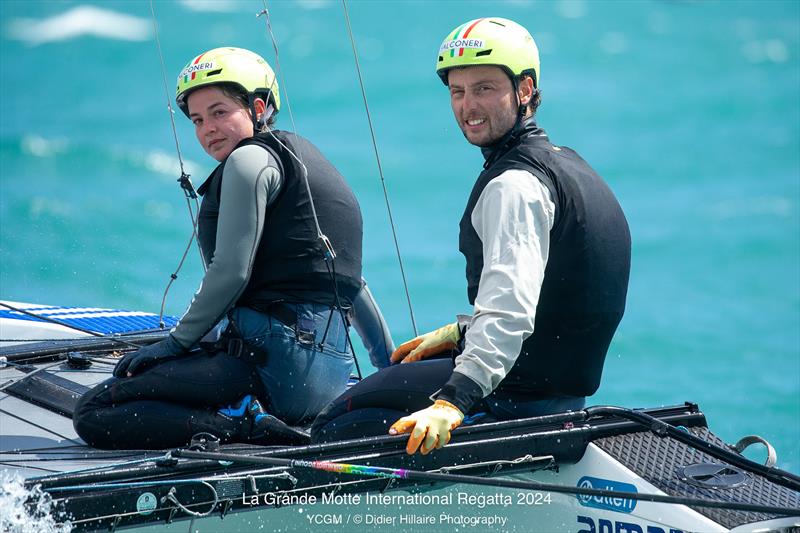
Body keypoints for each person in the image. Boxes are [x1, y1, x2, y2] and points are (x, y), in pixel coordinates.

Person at [310, 18, 631, 455]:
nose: (467, 106)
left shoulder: (514, 185)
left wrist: (452, 401)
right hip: (560, 393)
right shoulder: (567, 163)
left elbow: (510, 310)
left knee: (336, 418)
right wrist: (461, 332)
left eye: (484, 88)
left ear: (525, 89)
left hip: (517, 398)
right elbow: (559, 295)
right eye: (457, 92)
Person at [73, 47, 372, 449]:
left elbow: (231, 271)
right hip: (328, 381)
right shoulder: (309, 163)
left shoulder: (249, 161)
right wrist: (387, 366)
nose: (207, 129)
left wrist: (175, 343)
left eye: (219, 112)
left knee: (95, 410)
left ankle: (244, 427)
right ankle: (245, 411)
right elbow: (352, 284)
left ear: (258, 107)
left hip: (273, 371)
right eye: (197, 120)